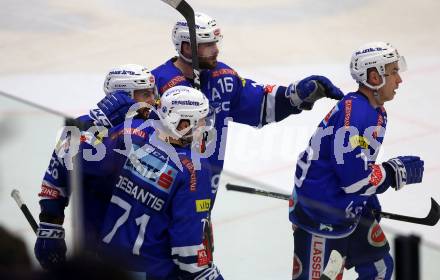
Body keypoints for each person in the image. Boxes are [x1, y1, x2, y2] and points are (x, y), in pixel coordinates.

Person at [152, 12, 345, 198]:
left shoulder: (223, 77)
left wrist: (297, 95)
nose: (216, 50)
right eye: (208, 45)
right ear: (187, 48)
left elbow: (260, 104)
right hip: (162, 189)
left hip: (204, 190)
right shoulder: (157, 83)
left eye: (215, 43)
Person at [288, 42, 425, 279]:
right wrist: (392, 172)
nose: (399, 80)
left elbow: (358, 166)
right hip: (320, 215)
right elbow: (353, 179)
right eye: (393, 72)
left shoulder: (374, 110)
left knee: (379, 269)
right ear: (374, 77)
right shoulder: (357, 116)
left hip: (346, 207)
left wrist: (367, 196)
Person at [84, 86, 222, 279]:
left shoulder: (134, 135)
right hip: (151, 272)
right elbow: (188, 252)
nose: (206, 127)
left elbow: (74, 151)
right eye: (200, 121)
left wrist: (92, 121)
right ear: (182, 125)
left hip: (105, 266)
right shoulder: (193, 168)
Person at [34, 64, 158, 270]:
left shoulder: (149, 128)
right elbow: (57, 177)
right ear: (123, 97)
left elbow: (103, 166)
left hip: (139, 249)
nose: (153, 100)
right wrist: (50, 225)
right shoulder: (81, 126)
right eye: (146, 94)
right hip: (94, 245)